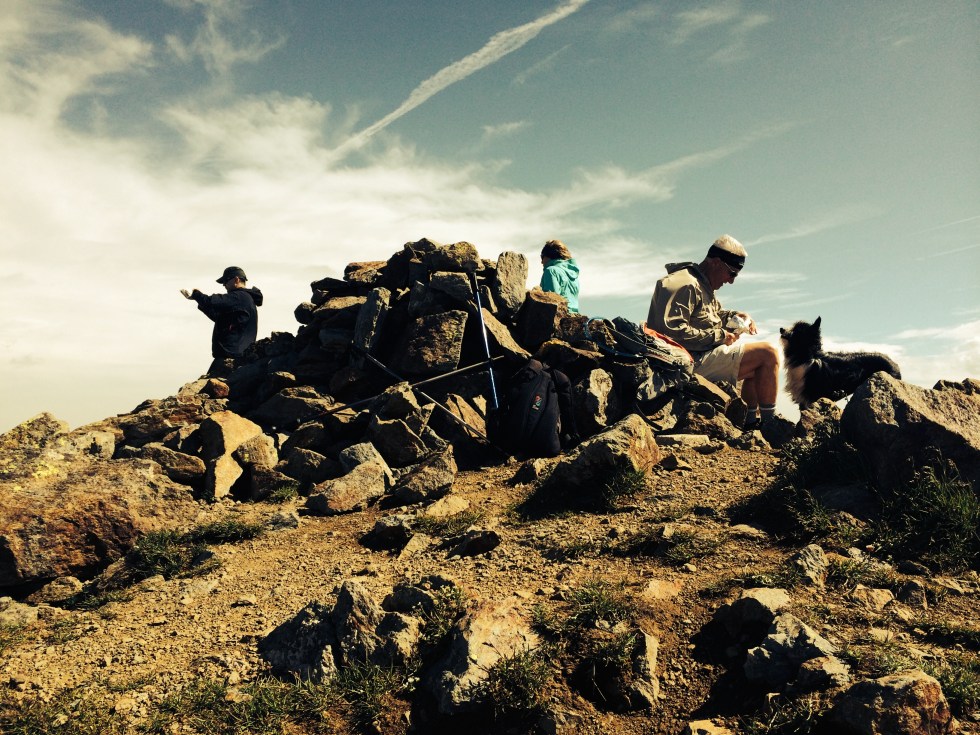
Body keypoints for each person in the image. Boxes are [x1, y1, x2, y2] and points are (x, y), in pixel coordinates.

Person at [646, 235, 779, 430]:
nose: (731, 281)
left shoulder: (701, 284)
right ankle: (770, 427)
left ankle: (751, 423)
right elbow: (671, 333)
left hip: (696, 357)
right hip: (683, 364)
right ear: (716, 262)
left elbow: (710, 315)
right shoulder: (684, 284)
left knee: (756, 365)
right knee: (767, 354)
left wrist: (734, 316)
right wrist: (721, 336)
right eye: (731, 273)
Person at [181, 266, 263, 377]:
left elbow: (212, 301)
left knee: (209, 385)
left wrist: (196, 294)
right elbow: (219, 317)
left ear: (236, 279)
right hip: (237, 355)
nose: (224, 285)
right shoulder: (245, 299)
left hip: (230, 357)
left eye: (225, 281)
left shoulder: (239, 296)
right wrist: (200, 302)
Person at [540, 239, 580, 313]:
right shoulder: (573, 274)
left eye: (542, 257)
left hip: (560, 316)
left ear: (549, 256)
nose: (541, 262)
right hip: (574, 316)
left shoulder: (551, 271)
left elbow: (552, 301)